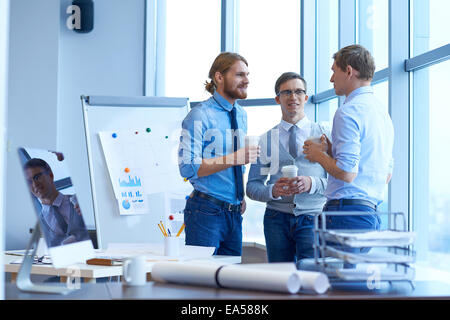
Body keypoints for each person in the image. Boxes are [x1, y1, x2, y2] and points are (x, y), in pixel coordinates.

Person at [303, 44, 394, 251]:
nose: (331, 79)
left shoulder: (348, 112)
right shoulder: (382, 114)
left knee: (333, 282)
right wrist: (331, 151)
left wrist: (319, 155)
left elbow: (347, 173)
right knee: (351, 282)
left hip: (344, 217)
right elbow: (385, 174)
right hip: (369, 215)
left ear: (349, 71)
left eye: (334, 71)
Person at [178, 52, 259, 256]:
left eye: (247, 75)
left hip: (234, 212)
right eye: (240, 75)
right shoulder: (199, 114)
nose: (247, 80)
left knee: (230, 281)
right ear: (219, 77)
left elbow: (238, 163)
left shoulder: (241, 114)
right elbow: (187, 167)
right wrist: (236, 158)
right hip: (205, 211)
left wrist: (238, 195)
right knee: (203, 281)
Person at [246, 72, 329, 263]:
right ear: (278, 99)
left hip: (314, 218)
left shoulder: (324, 135)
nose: (293, 97)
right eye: (287, 92)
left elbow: (339, 179)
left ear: (306, 97)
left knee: (311, 277)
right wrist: (272, 191)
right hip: (276, 220)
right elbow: (252, 187)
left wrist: (312, 183)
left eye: (299, 91)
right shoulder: (265, 140)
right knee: (279, 279)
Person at [24, 158, 90, 247]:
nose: (35, 185)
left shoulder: (80, 201)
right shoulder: (39, 225)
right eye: (29, 182)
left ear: (50, 175)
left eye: (37, 177)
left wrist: (90, 213)